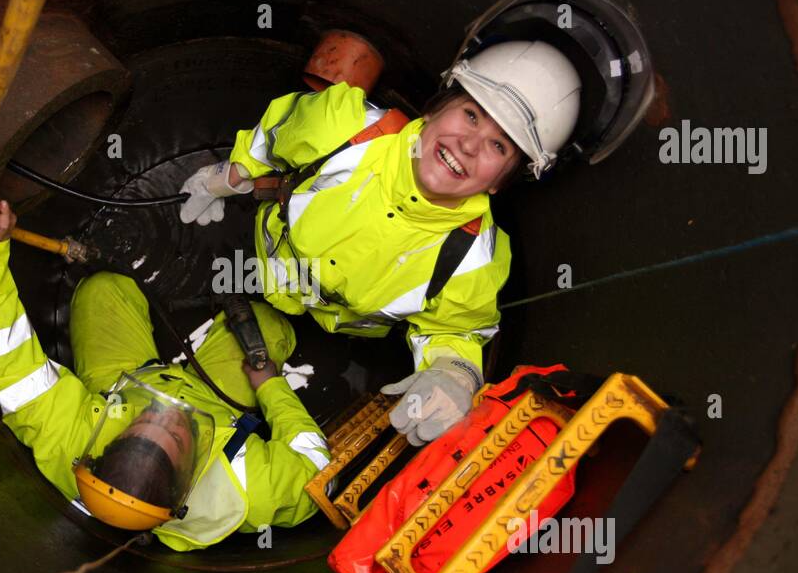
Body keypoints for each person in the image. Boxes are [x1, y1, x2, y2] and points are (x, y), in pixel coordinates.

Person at [178, 39, 583, 446]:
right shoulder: (340, 126)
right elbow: (276, 134)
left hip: (335, 327)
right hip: (261, 256)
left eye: (499, 146)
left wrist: (456, 373)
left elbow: (457, 329)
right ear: (434, 109)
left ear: (500, 183)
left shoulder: (474, 259)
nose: (470, 145)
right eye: (472, 115)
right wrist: (229, 176)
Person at [0, 200, 331, 551]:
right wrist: (271, 387)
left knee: (104, 288)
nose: (162, 415)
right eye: (172, 434)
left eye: (141, 427)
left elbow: (4, 358)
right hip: (213, 406)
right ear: (189, 476)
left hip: (125, 384)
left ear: (102, 448)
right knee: (268, 325)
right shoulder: (250, 487)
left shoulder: (70, 444)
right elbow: (315, 469)